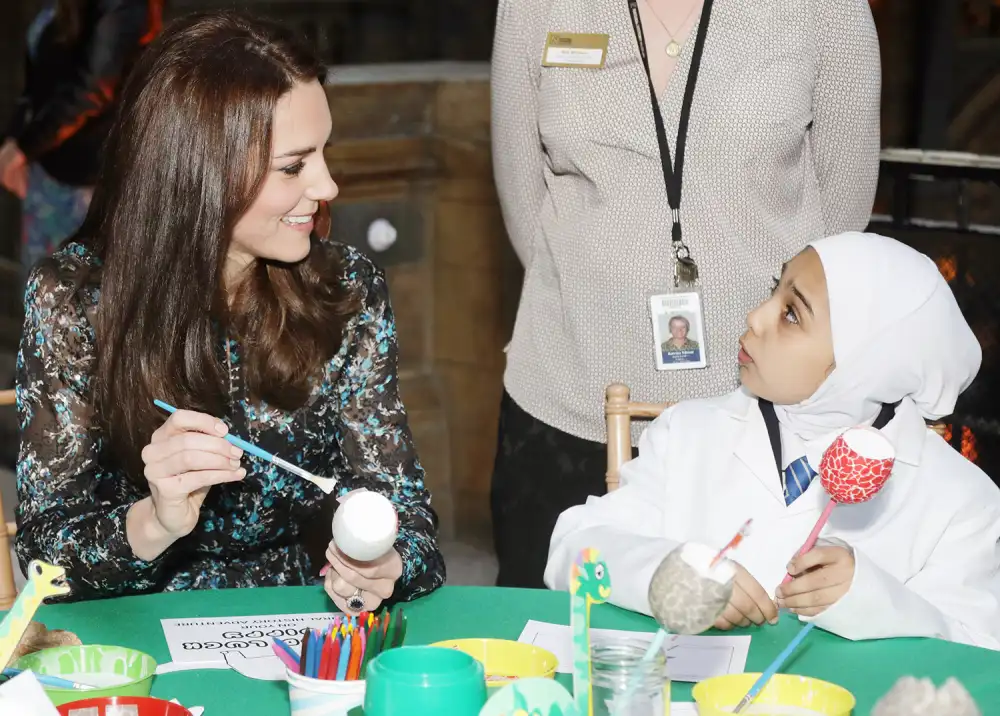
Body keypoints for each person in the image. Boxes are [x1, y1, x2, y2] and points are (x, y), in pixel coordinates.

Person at [14, 11, 446, 610]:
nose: (327, 186)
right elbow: (43, 564)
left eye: (324, 152)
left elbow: (408, 516)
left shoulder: (346, 288)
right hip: (139, 633)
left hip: (303, 626)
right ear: (199, 172)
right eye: (294, 165)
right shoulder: (76, 299)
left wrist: (386, 562)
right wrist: (153, 522)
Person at [489, 0, 883, 587]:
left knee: (745, 653)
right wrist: (602, 298)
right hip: (566, 395)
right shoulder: (532, 8)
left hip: (754, 416)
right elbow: (523, 199)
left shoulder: (828, 10)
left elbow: (839, 233)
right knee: (556, 648)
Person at [545, 232, 1000, 650]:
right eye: (774, 290)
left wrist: (874, 602)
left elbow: (978, 653)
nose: (756, 316)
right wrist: (660, 572)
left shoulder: (962, 501)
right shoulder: (689, 432)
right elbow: (571, 551)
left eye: (791, 314)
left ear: (865, 365)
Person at [0, 0, 163, 281]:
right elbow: (37, 86)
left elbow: (90, 89)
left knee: (77, 296)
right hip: (48, 168)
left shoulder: (125, 6)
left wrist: (23, 148)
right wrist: (12, 141)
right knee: (41, 288)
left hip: (87, 181)